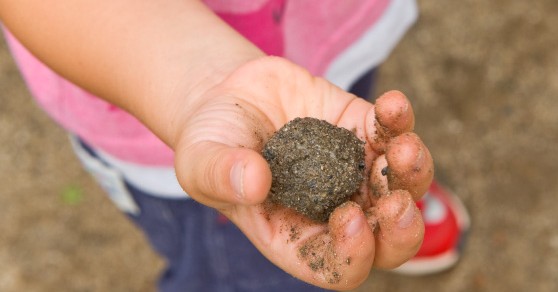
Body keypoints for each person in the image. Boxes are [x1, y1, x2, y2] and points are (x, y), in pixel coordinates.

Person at [0, 0, 469, 291]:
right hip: (160, 103)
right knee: (239, 276)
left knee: (364, 122)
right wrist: (204, 86)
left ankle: (373, 205)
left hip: (324, 37)